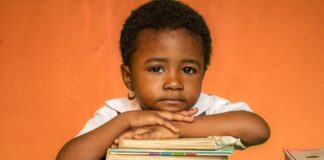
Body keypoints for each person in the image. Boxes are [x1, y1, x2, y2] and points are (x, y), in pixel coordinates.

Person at [56, 0, 270, 159]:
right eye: (157, 68)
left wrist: (174, 129)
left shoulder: (208, 110)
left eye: (188, 69)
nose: (174, 83)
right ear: (128, 77)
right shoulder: (117, 114)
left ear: (203, 73)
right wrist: (125, 122)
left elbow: (257, 129)